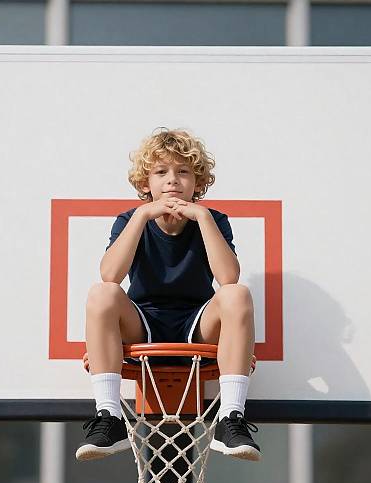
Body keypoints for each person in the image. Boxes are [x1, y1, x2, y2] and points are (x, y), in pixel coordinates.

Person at [76, 127, 261, 462]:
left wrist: (202, 217)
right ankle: (109, 417)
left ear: (198, 183)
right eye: (161, 172)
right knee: (102, 294)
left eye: (183, 172)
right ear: (146, 183)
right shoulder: (130, 220)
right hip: (142, 321)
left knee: (237, 294)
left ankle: (231, 418)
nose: (172, 180)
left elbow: (228, 277)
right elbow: (110, 275)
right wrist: (143, 214)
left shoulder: (213, 219)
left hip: (197, 324)